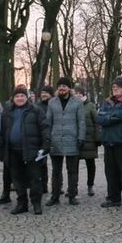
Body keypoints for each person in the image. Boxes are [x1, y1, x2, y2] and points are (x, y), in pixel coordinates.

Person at [0, 86, 50, 215]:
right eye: (17, 96)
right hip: (13, 151)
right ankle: (22, 203)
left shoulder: (36, 110)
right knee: (17, 179)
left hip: (32, 150)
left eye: (22, 96)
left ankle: (36, 203)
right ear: (13, 98)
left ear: (26, 98)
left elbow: (45, 129)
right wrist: (0, 149)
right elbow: (2, 132)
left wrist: (45, 146)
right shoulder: (7, 112)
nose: (19, 98)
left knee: (34, 179)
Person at [97, 76, 122, 208]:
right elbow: (99, 118)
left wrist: (109, 116)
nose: (115, 89)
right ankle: (113, 198)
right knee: (111, 172)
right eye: (113, 87)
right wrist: (112, 117)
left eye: (118, 87)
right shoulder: (107, 101)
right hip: (109, 141)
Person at [45, 77, 86, 207]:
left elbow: (81, 121)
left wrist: (81, 138)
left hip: (72, 139)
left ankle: (72, 195)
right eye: (60, 86)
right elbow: (48, 121)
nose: (62, 88)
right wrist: (47, 138)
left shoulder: (77, 102)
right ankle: (55, 196)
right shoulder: (52, 102)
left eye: (64, 85)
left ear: (69, 88)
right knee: (56, 171)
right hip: (55, 140)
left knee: (72, 170)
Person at [74, 85, 101, 197]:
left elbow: (97, 122)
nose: (78, 94)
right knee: (73, 165)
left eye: (79, 92)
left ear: (83, 94)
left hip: (89, 140)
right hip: (76, 140)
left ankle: (90, 186)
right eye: (76, 93)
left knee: (90, 164)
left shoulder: (90, 106)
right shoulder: (72, 106)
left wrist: (97, 138)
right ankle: (73, 186)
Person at [37, 85, 54, 194]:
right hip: (41, 137)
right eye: (42, 92)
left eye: (46, 93)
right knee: (41, 163)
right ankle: (43, 186)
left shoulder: (54, 105)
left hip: (54, 136)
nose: (44, 94)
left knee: (56, 164)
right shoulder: (37, 106)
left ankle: (57, 186)